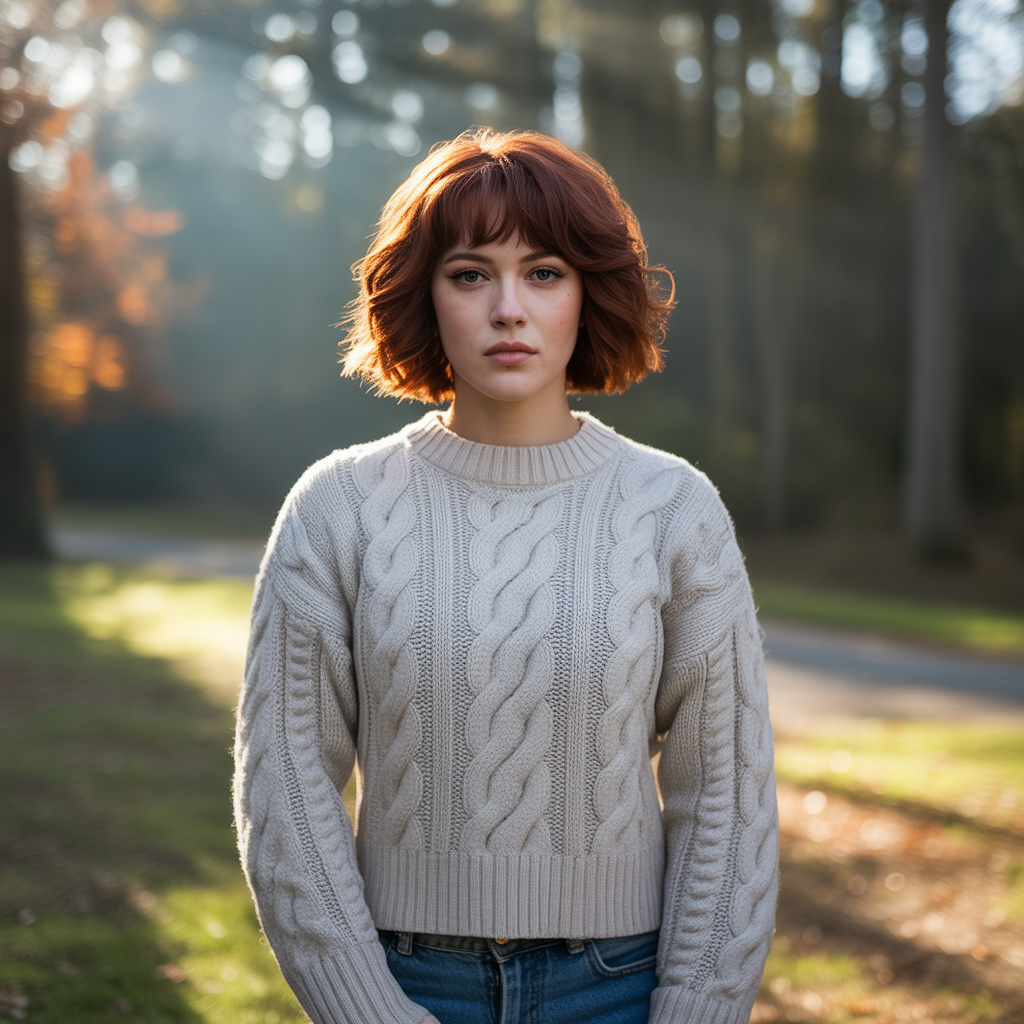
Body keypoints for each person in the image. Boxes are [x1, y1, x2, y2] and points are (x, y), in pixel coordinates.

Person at [233, 129, 778, 1024]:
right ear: (428, 296)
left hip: (622, 986)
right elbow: (286, 784)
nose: (509, 309)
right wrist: (368, 1011)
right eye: (471, 273)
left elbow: (725, 792)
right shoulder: (337, 509)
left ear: (588, 293)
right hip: (402, 980)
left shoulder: (674, 509)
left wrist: (696, 1011)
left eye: (546, 272)